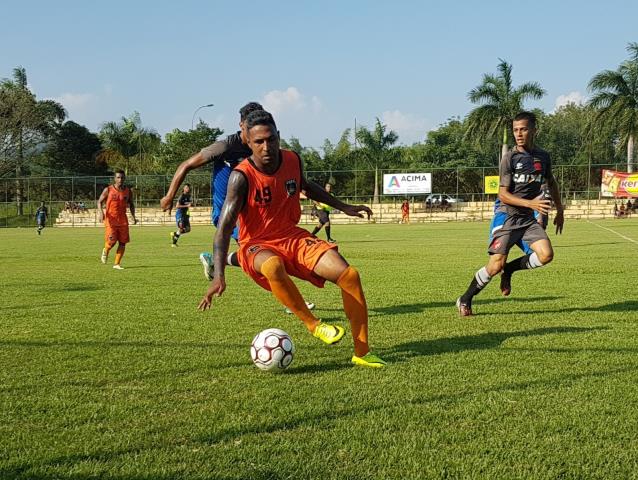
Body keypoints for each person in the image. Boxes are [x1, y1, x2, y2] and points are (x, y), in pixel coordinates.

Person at [198, 110, 385, 368]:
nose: (266, 147)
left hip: (292, 237)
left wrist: (344, 207)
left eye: (271, 139)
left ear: (278, 136)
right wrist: (219, 275)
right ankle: (314, 325)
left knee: (349, 275)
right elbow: (224, 229)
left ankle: (362, 352)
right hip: (256, 244)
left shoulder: (292, 160)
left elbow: (306, 186)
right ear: (248, 142)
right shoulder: (241, 177)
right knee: (273, 266)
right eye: (259, 142)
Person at [456, 112, 564, 316]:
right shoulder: (510, 158)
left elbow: (552, 182)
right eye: (515, 130)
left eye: (523, 129)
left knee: (546, 255)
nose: (519, 134)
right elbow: (503, 195)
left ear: (534, 130)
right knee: (495, 265)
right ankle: (465, 298)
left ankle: (511, 270)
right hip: (506, 216)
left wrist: (560, 210)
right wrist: (530, 203)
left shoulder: (543, 156)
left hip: (526, 219)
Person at [98, 170, 137, 270]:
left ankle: (116, 264)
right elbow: (99, 202)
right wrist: (100, 212)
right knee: (112, 242)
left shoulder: (128, 191)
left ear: (124, 179)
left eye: (122, 178)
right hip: (111, 220)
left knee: (123, 242)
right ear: (115, 179)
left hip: (123, 220)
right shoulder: (108, 190)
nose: (120, 180)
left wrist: (133, 216)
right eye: (118, 177)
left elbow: (131, 204)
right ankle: (106, 250)